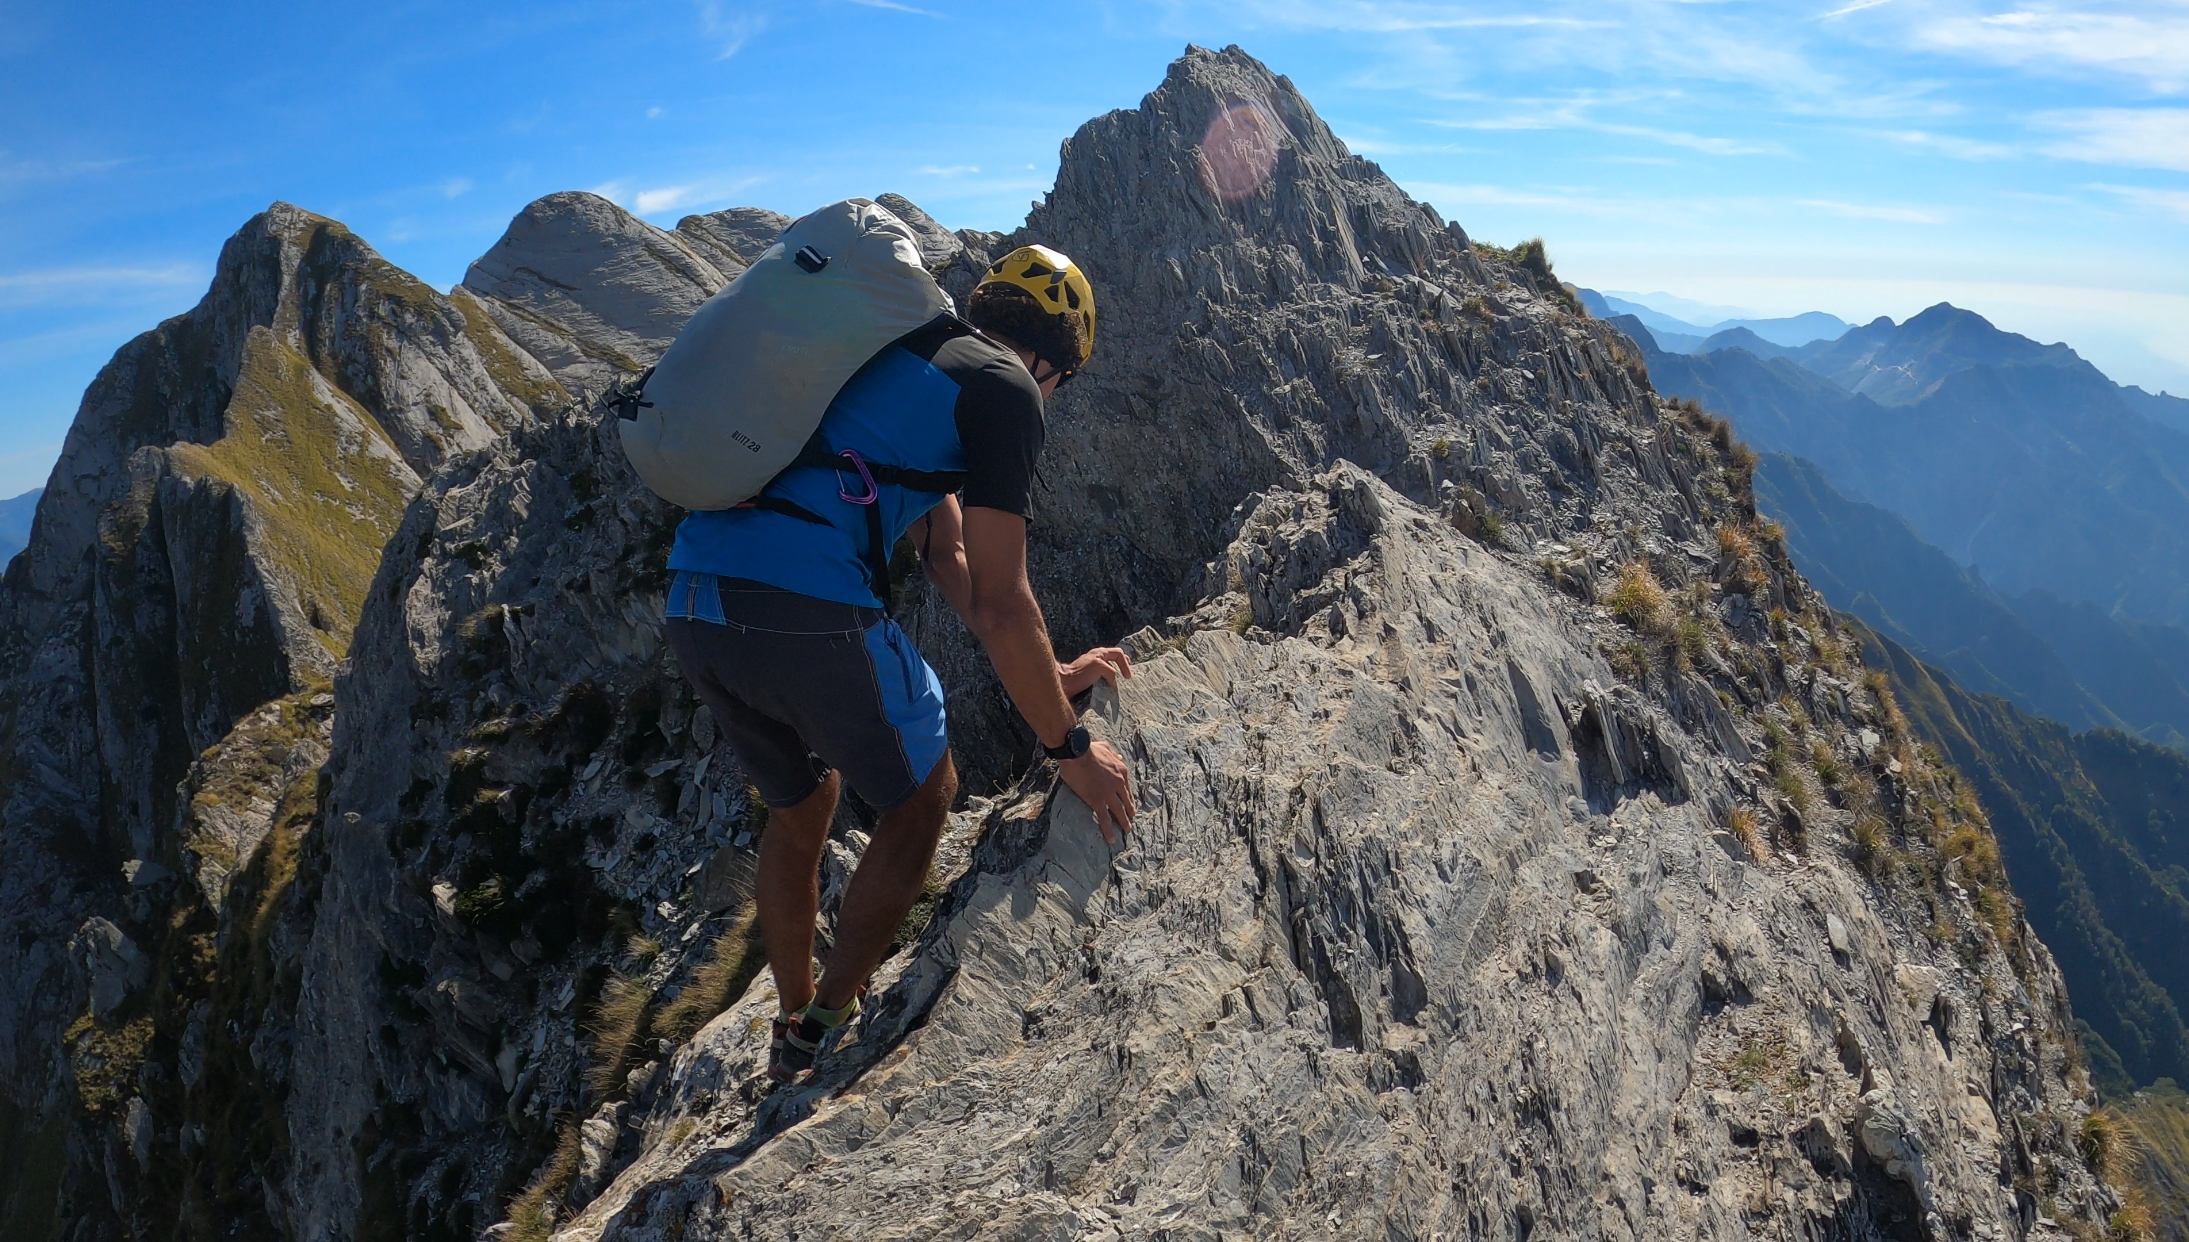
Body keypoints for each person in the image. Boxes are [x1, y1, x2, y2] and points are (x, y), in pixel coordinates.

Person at [661, 244, 1136, 1082]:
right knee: (924, 799)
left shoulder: (901, 352)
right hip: (801, 601)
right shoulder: (1006, 389)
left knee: (805, 804)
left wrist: (1050, 675)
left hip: (696, 599)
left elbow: (946, 557)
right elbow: (998, 595)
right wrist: (1068, 749)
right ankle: (828, 1019)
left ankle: (792, 1015)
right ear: (1056, 362)